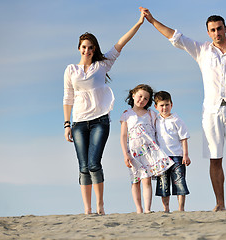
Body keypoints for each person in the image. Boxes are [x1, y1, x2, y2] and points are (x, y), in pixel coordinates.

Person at [141, 8, 226, 211]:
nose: (217, 33)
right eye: (212, 30)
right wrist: (152, 21)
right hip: (212, 112)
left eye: (219, 29)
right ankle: (220, 203)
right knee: (215, 158)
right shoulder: (202, 50)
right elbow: (175, 36)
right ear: (208, 32)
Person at [63, 11, 145, 215]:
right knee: (83, 167)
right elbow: (68, 98)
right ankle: (87, 209)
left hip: (100, 121)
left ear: (95, 49)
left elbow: (120, 43)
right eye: (84, 47)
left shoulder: (103, 64)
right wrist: (67, 124)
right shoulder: (71, 70)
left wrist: (139, 22)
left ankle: (100, 206)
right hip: (79, 123)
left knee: (93, 163)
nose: (87, 50)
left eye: (91, 47)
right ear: (79, 48)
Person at [120, 84, 175, 213]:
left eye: (145, 98)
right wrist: (125, 154)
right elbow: (123, 136)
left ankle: (147, 209)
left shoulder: (151, 114)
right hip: (133, 153)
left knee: (147, 180)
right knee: (135, 181)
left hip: (150, 152)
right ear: (133, 95)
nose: (142, 100)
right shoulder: (127, 115)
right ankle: (138, 208)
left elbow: (160, 129)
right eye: (139, 96)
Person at [154, 91, 191, 212]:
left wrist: (185, 155)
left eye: (167, 104)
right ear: (156, 107)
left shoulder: (176, 120)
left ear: (171, 104)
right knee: (163, 183)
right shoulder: (156, 120)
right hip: (161, 158)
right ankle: (166, 208)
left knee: (179, 182)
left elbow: (184, 138)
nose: (164, 108)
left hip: (177, 156)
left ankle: (181, 208)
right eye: (161, 105)